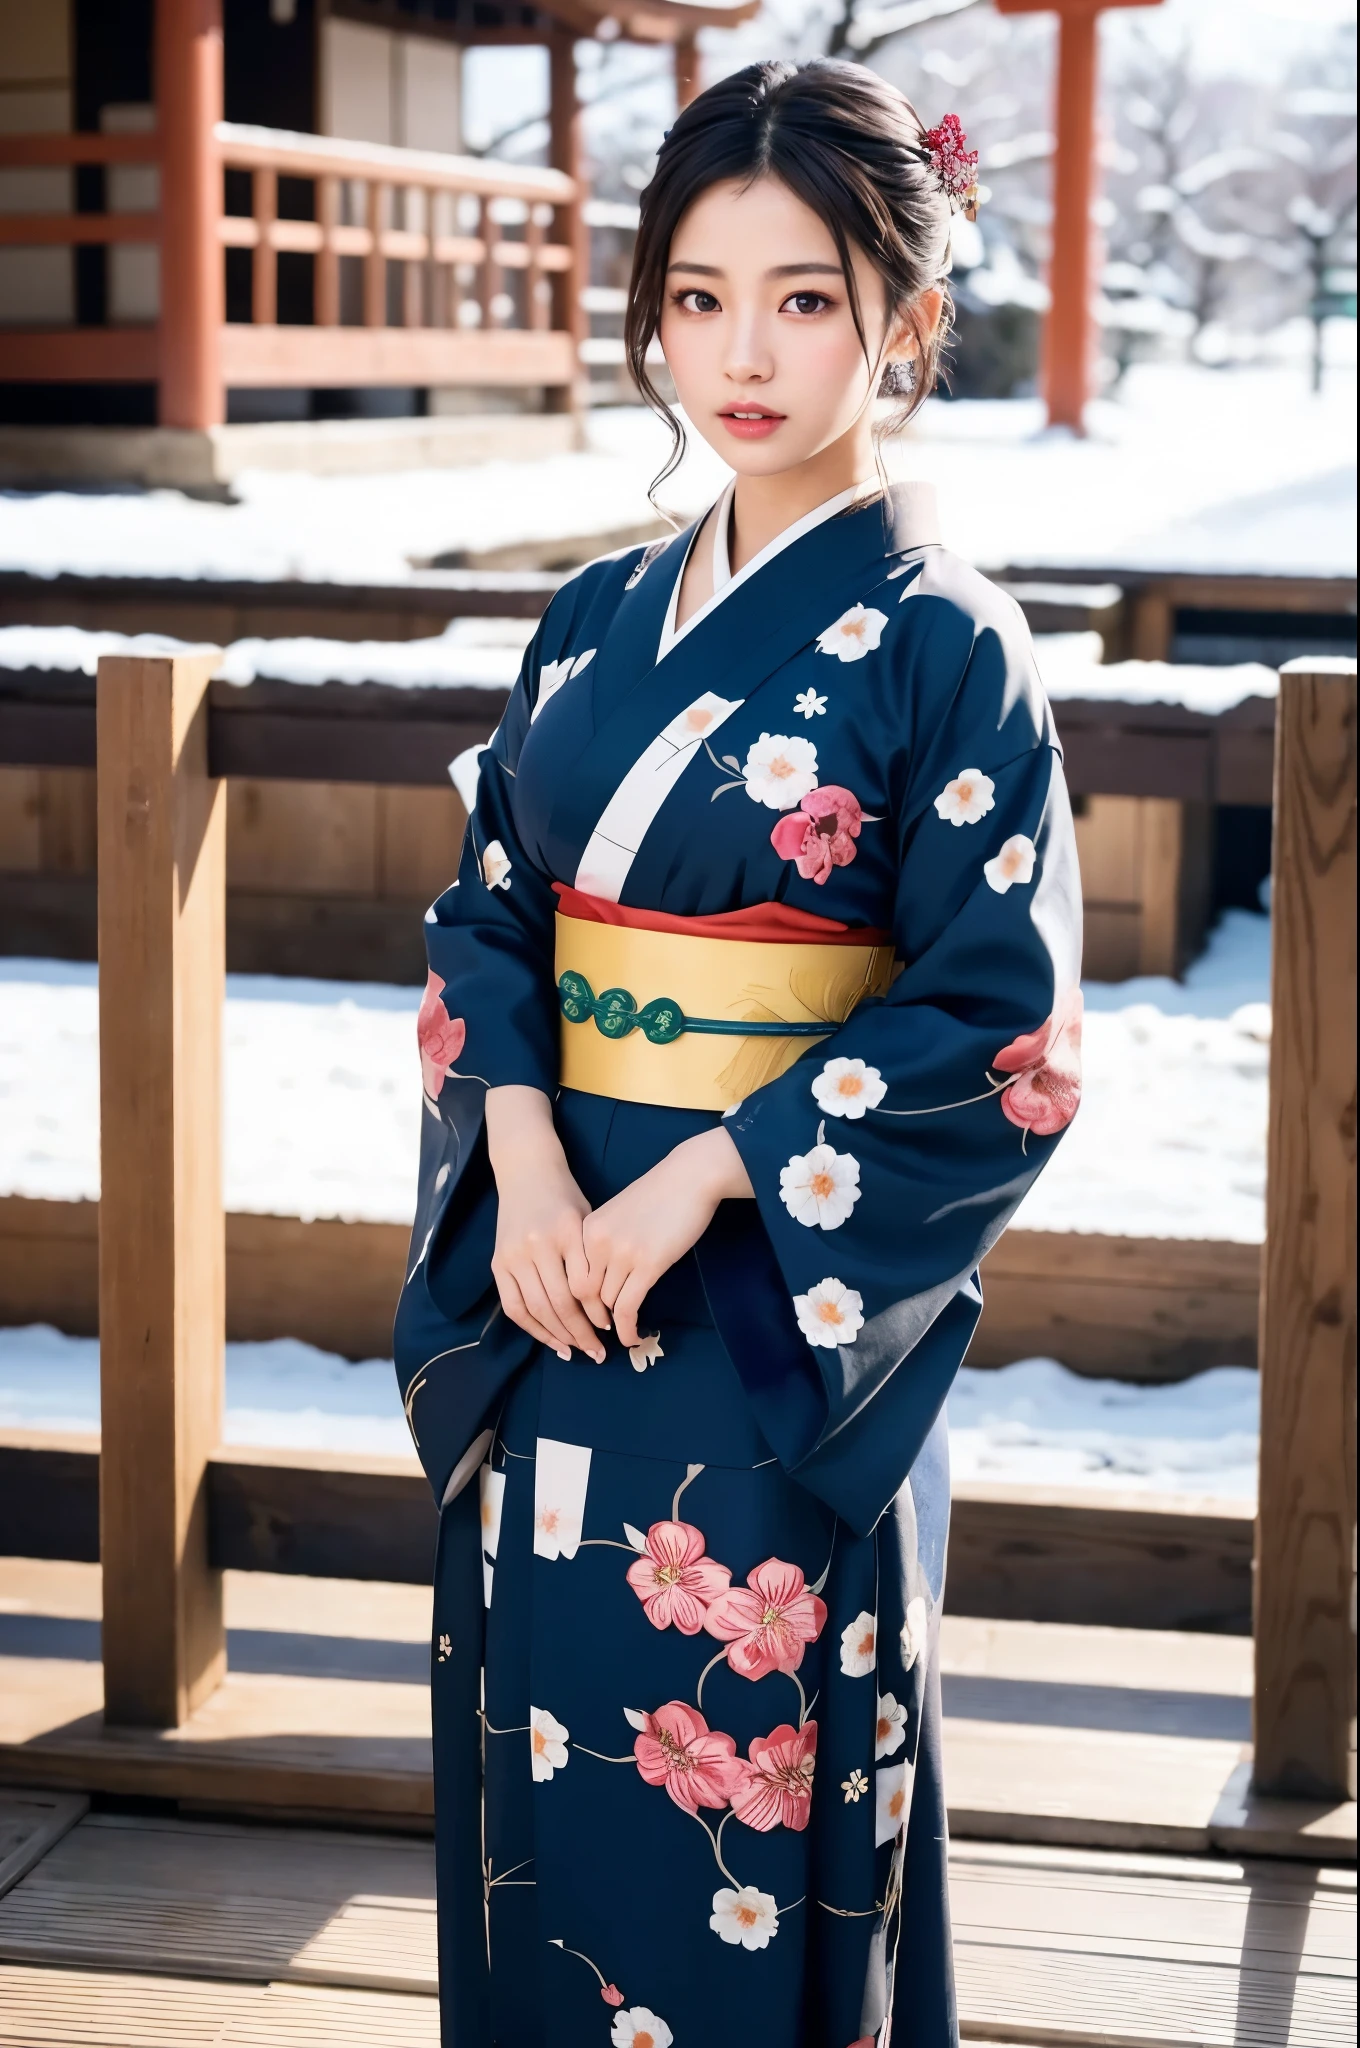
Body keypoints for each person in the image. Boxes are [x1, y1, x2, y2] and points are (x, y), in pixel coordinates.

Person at [396, 56, 1082, 2048]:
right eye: (697, 296)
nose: (742, 352)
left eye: (802, 296)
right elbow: (489, 911)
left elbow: (995, 1028)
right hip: (550, 1287)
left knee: (754, 1784)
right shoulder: (594, 615)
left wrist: (698, 1178)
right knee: (551, 1779)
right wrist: (523, 1170)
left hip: (773, 1308)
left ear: (905, 317)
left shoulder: (944, 642)